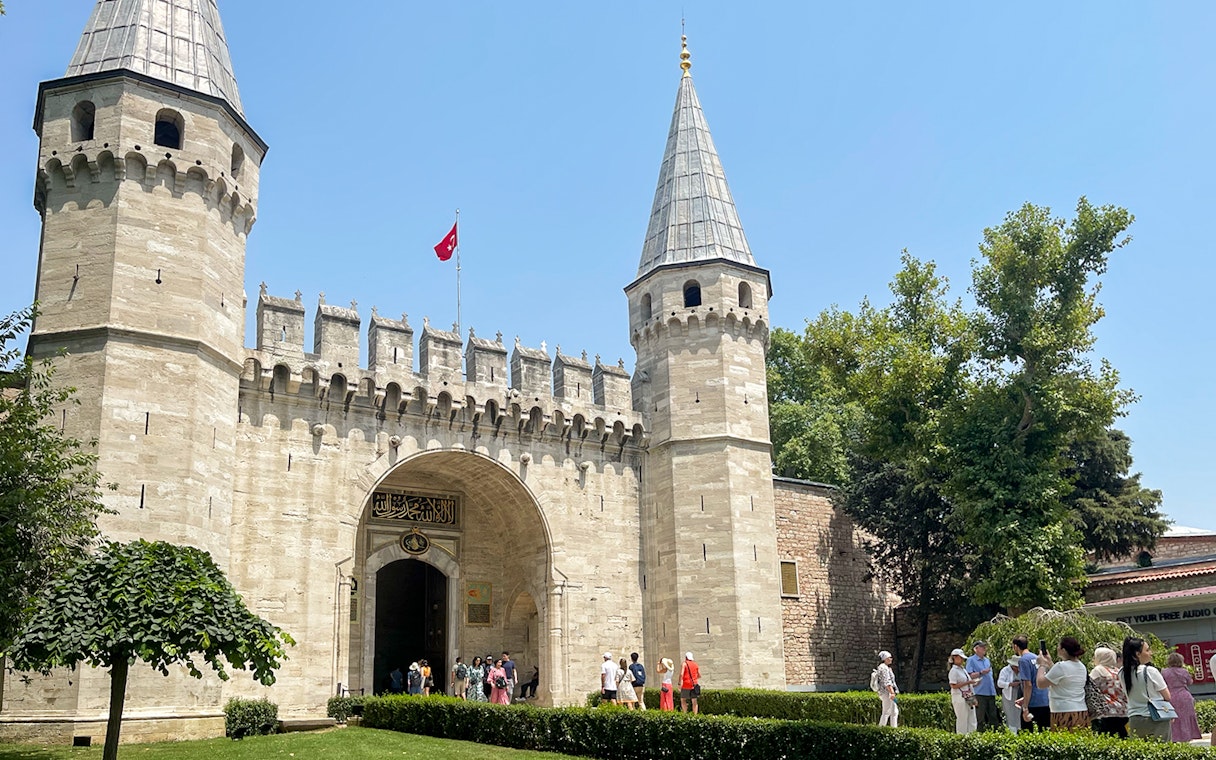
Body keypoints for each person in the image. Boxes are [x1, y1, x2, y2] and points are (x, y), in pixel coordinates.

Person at [1122, 636, 1172, 742]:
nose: (1150, 653)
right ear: (1137, 654)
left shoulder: (1121, 673)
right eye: (1147, 650)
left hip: (1134, 718)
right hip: (1156, 717)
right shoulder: (1150, 671)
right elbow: (1167, 696)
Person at [1037, 636, 1088, 731]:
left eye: (1059, 646)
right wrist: (1050, 662)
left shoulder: (1061, 666)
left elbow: (1041, 684)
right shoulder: (1081, 666)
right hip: (1080, 710)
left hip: (1062, 710)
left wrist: (1042, 665)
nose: (1057, 648)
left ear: (1063, 650)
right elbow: (1060, 677)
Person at [1012, 635, 1050, 731]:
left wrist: (1025, 706)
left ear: (1016, 646)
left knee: (1029, 733)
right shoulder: (1036, 657)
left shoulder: (1023, 660)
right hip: (1045, 700)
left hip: (1033, 704)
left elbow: (1028, 685)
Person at [1089, 646, 1127, 737]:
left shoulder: (1098, 671)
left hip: (1106, 711)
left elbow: (1089, 687)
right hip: (1123, 711)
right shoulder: (1118, 672)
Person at [1163, 652, 1201, 742]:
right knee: (1186, 717)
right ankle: (1187, 736)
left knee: (1174, 719)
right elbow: (1190, 682)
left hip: (1171, 696)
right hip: (1184, 696)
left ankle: (1174, 738)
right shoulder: (1184, 671)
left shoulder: (1164, 672)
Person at [966, 640, 998, 731]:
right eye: (982, 646)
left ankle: (995, 734)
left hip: (990, 691)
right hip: (979, 692)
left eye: (985, 646)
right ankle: (979, 734)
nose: (984, 648)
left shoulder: (987, 660)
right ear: (976, 649)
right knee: (979, 716)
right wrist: (981, 672)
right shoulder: (971, 660)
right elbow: (969, 675)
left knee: (993, 715)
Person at [947, 648, 978, 734]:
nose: (962, 660)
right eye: (960, 658)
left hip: (968, 695)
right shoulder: (953, 671)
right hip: (959, 697)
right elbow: (953, 685)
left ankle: (972, 736)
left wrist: (972, 684)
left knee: (972, 718)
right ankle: (962, 737)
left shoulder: (963, 669)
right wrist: (968, 682)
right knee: (962, 719)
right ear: (955, 658)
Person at [997, 656, 1021, 734]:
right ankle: (1012, 732)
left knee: (1019, 714)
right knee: (1010, 714)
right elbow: (1000, 683)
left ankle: (1019, 730)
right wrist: (1010, 684)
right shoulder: (1005, 670)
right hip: (1009, 696)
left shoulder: (1022, 670)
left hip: (1020, 695)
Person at [876, 650, 898, 727]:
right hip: (887, 693)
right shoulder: (884, 668)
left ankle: (894, 729)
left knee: (894, 711)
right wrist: (892, 692)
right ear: (885, 658)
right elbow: (887, 682)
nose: (891, 659)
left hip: (886, 692)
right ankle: (881, 729)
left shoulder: (885, 667)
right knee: (886, 712)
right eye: (890, 657)